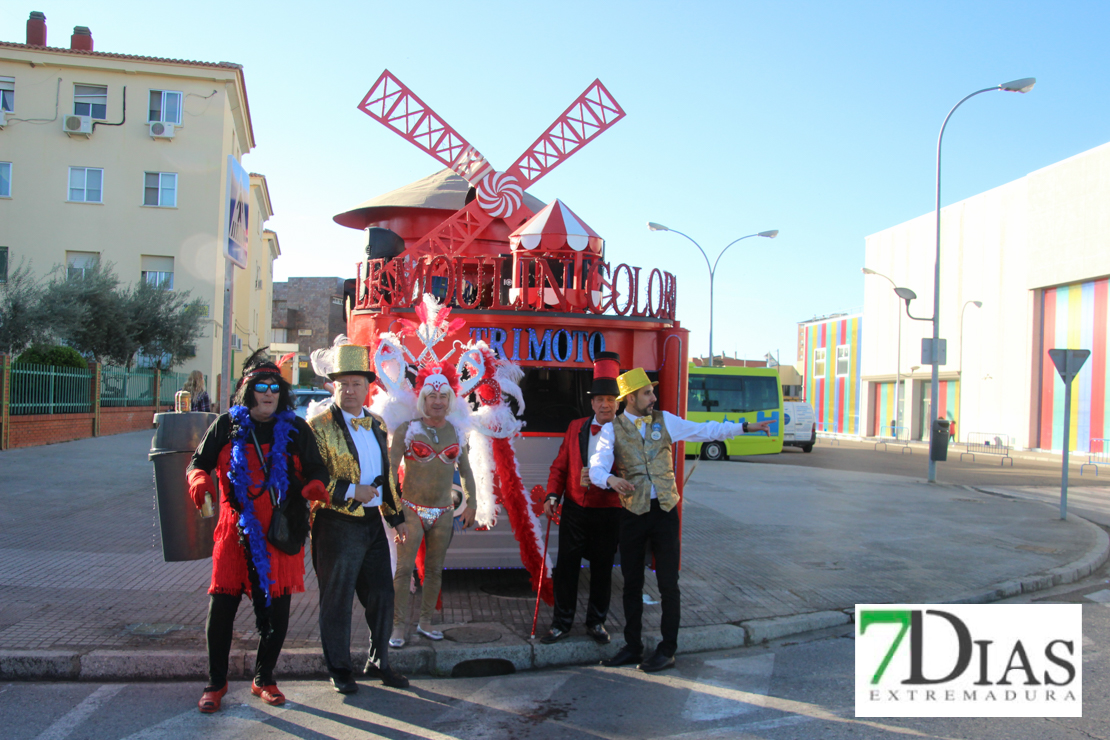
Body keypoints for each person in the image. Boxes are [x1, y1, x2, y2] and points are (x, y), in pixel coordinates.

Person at [589, 367, 771, 673]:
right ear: (631, 397)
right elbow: (596, 466)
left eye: (652, 392)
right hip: (633, 514)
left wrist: (746, 427)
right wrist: (610, 480)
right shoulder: (611, 429)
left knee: (668, 584)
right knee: (631, 584)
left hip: (665, 513)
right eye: (647, 392)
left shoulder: (666, 420)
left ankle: (667, 648)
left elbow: (708, 430)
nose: (653, 397)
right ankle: (633, 647)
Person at [186, 352, 330, 713]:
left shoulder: (296, 428)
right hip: (234, 534)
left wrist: (313, 486)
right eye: (260, 387)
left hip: (279, 535)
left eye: (274, 388)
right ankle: (215, 684)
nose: (268, 393)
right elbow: (198, 463)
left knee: (277, 616)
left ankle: (264, 678)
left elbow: (318, 469)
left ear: (282, 393)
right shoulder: (225, 426)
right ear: (248, 392)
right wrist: (199, 481)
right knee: (221, 611)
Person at [306, 343, 410, 694]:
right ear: (332, 387)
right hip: (335, 524)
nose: (349, 391)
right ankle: (339, 668)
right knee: (336, 600)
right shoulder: (318, 426)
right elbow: (311, 477)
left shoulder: (377, 424)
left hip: (371, 526)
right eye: (343, 384)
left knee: (382, 594)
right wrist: (351, 491)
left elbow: (387, 475)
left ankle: (379, 660)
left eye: (356, 384)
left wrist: (396, 519)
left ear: (368, 388)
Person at [389, 362, 477, 648]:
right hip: (411, 509)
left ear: (449, 401)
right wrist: (391, 510)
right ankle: (398, 627)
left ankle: (425, 623)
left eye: (443, 397)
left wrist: (472, 503)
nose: (437, 402)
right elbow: (390, 470)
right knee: (403, 571)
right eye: (432, 396)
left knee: (435, 570)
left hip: (443, 512)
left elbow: (466, 471)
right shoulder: (408, 429)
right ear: (423, 399)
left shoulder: (456, 432)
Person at [539, 351, 623, 645]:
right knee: (567, 568)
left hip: (609, 510)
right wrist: (552, 495)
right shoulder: (576, 427)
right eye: (599, 399)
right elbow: (560, 465)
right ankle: (561, 623)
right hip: (575, 508)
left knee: (602, 570)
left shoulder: (627, 432)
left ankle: (596, 622)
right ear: (591, 403)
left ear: (618, 403)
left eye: (610, 399)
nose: (604, 404)